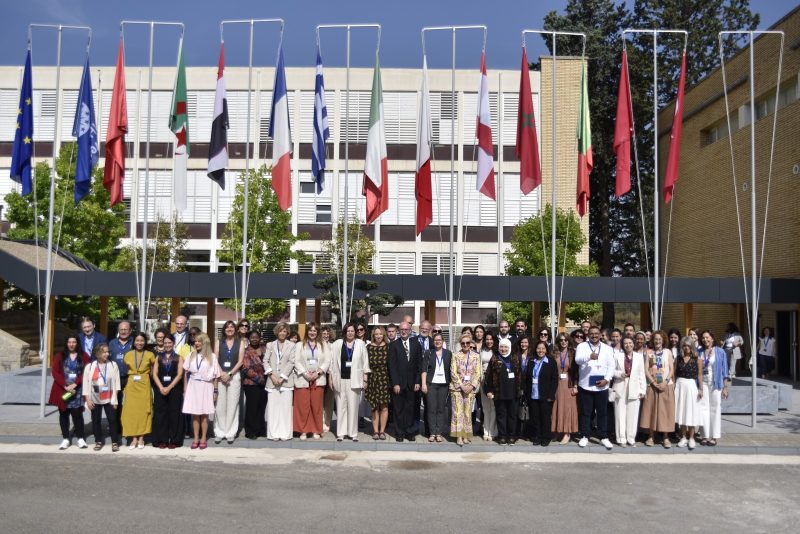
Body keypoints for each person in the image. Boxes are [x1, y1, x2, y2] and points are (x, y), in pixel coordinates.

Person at [574, 326, 615, 450]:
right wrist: (588, 357)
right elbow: (577, 360)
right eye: (591, 333)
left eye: (596, 333)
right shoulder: (582, 346)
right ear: (588, 335)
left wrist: (607, 379)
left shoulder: (607, 348)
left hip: (601, 386)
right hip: (586, 385)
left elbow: (611, 366)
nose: (594, 335)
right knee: (586, 413)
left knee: (602, 413)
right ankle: (585, 435)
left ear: (600, 335)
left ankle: (603, 437)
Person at [329, 323, 370, 441]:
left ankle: (352, 433)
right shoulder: (337, 344)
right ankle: (341, 433)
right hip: (340, 379)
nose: (350, 333)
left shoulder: (361, 344)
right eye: (348, 331)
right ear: (344, 332)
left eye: (352, 331)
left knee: (353, 407)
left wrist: (365, 379)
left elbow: (365, 363)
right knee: (341, 407)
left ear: (355, 332)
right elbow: (332, 363)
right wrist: (330, 378)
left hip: (355, 380)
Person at [49, 335, 90, 449]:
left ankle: (80, 438)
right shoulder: (59, 355)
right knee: (63, 414)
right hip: (63, 389)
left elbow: (87, 371)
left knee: (77, 414)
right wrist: (65, 385)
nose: (71, 344)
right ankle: (66, 438)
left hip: (77, 389)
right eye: (69, 342)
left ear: (77, 343)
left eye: (74, 342)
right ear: (66, 343)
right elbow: (55, 372)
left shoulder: (84, 355)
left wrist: (75, 383)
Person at [182, 333, 220, 450]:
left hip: (206, 386)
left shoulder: (212, 356)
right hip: (193, 386)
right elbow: (185, 372)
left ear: (205, 343)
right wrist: (185, 389)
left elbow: (216, 376)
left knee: (204, 414)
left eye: (199, 341)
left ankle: (203, 437)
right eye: (195, 341)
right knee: (195, 414)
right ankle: (196, 438)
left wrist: (215, 390)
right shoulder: (191, 355)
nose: (197, 343)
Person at [294, 322, 330, 440]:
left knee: (316, 405)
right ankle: (303, 431)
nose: (312, 333)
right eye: (310, 330)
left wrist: (317, 373)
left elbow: (327, 361)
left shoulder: (323, 345)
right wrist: (305, 373)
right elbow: (296, 361)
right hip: (303, 378)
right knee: (303, 405)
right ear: (307, 332)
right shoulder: (300, 345)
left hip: (318, 379)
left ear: (317, 332)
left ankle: (316, 430)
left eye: (315, 330)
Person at [640, 330, 676, 448]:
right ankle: (651, 436)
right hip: (652, 386)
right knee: (651, 411)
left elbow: (671, 369)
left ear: (663, 340)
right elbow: (646, 369)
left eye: (660, 339)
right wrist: (653, 382)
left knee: (665, 411)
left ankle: (665, 437)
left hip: (666, 385)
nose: (657, 341)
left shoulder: (668, 352)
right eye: (655, 339)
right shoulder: (649, 352)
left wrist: (665, 382)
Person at [83, 344, 121, 452]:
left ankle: (115, 442)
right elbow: (85, 384)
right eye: (104, 352)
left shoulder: (113, 365)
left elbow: (117, 384)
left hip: (109, 398)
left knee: (113, 420)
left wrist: (115, 400)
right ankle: (98, 441)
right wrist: (88, 399)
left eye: (108, 352)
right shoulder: (90, 366)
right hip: (95, 398)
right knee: (96, 421)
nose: (107, 354)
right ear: (97, 353)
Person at [388, 321, 421, 442]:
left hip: (412, 384)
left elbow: (419, 364)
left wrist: (418, 381)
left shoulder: (416, 344)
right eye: (401, 329)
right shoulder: (394, 345)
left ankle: (410, 432)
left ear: (410, 330)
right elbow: (392, 366)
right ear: (398, 331)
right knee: (398, 409)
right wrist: (395, 383)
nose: (404, 331)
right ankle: (399, 432)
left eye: (406, 329)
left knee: (411, 409)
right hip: (398, 384)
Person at [484, 338, 521, 445]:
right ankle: (502, 436)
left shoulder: (515, 358)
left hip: (513, 392)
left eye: (505, 347)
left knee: (512, 415)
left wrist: (521, 390)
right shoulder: (494, 358)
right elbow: (488, 376)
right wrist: (489, 390)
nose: (503, 349)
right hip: (499, 392)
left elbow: (520, 375)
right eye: (501, 347)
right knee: (501, 415)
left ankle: (511, 436)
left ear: (509, 347)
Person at [121, 332, 155, 449]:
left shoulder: (150, 355)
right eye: (137, 341)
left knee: (143, 412)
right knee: (131, 412)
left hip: (144, 384)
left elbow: (153, 371)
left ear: (145, 342)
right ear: (133, 342)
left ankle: (141, 437)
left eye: (142, 341)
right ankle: (134, 438)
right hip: (132, 385)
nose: (139, 343)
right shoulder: (128, 355)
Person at [263, 322, 297, 441]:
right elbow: (265, 361)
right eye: (280, 331)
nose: (282, 333)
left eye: (284, 331)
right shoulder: (270, 345)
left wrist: (282, 377)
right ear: (276, 332)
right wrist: (272, 375)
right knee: (273, 408)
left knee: (286, 408)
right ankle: (273, 434)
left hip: (286, 382)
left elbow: (292, 362)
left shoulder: (292, 345)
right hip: (272, 381)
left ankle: (285, 433)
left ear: (287, 333)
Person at [213, 320, 245, 444]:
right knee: (220, 405)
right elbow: (215, 358)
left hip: (234, 376)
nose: (230, 329)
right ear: (224, 329)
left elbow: (240, 361)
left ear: (235, 329)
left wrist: (230, 373)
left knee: (233, 405)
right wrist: (221, 373)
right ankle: (220, 432)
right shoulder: (218, 342)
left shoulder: (240, 342)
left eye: (232, 327)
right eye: (227, 327)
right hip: (220, 375)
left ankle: (231, 432)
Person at [611, 336, 647, 447]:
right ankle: (621, 438)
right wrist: (619, 374)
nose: (628, 345)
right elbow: (611, 371)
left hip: (634, 388)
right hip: (620, 386)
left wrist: (642, 389)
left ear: (633, 343)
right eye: (625, 343)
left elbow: (642, 374)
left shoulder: (639, 357)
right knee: (620, 414)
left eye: (630, 343)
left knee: (633, 414)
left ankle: (631, 438)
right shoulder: (617, 356)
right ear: (622, 344)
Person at [151, 333, 185, 448]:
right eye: (165, 343)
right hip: (160, 389)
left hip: (175, 389)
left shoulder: (178, 357)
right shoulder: (158, 357)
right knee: (160, 414)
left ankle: (174, 440)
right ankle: (162, 440)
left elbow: (180, 375)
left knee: (174, 414)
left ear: (173, 343)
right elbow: (154, 374)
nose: (167, 345)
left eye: (169, 343)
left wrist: (169, 387)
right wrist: (161, 387)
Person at [698, 330, 730, 446]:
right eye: (703, 338)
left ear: (712, 338)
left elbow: (725, 370)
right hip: (703, 384)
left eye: (707, 337)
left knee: (715, 409)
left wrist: (725, 387)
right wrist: (699, 387)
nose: (705, 340)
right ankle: (705, 435)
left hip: (716, 384)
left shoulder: (720, 352)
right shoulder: (699, 351)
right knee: (703, 408)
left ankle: (715, 436)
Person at [524, 339, 558, 446]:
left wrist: (551, 394)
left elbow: (554, 379)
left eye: (543, 348)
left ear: (546, 350)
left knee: (545, 417)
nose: (540, 350)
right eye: (539, 348)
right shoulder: (531, 361)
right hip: (533, 394)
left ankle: (546, 436)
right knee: (535, 417)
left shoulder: (551, 361)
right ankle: (537, 436)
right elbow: (527, 378)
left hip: (546, 394)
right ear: (535, 349)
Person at [450, 333, 480, 446]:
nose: (465, 345)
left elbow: (477, 372)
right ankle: (459, 436)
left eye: (468, 343)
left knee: (467, 412)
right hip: (457, 388)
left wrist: (472, 386)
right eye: (463, 343)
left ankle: (466, 435)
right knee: (458, 412)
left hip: (470, 388)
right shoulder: (455, 355)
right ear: (460, 344)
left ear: (471, 343)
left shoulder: (476, 356)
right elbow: (453, 371)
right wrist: (462, 386)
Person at [421, 332, 451, 443]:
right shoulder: (429, 353)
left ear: (443, 341)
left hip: (444, 385)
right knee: (431, 409)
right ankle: (432, 433)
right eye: (435, 340)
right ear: (433, 342)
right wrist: (423, 384)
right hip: (431, 384)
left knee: (441, 409)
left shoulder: (448, 353)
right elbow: (424, 369)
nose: (438, 342)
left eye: (440, 340)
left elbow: (451, 370)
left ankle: (439, 433)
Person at [674, 336, 704, 449]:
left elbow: (700, 375)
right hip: (679, 385)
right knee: (681, 412)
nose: (686, 348)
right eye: (684, 345)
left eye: (688, 345)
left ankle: (691, 438)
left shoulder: (698, 359)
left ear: (692, 346)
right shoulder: (678, 358)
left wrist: (701, 389)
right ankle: (683, 437)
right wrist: (673, 386)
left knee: (691, 412)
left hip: (691, 386)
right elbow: (674, 374)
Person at [551, 333, 578, 444]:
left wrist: (576, 385)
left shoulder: (573, 353)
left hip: (569, 384)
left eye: (565, 340)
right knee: (557, 407)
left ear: (568, 341)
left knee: (568, 408)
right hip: (557, 384)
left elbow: (577, 371)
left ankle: (567, 433)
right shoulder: (554, 354)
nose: (563, 342)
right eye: (561, 340)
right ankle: (558, 431)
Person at [365, 325, 391, 440]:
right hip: (372, 379)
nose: (378, 336)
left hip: (385, 379)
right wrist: (365, 379)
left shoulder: (389, 347)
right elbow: (364, 365)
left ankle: (382, 431)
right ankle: (375, 431)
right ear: (373, 335)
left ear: (383, 335)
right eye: (376, 334)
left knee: (384, 406)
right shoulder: (368, 347)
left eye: (380, 334)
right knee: (374, 407)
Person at [241, 330, 267, 439]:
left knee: (262, 407)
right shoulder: (246, 351)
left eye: (257, 337)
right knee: (252, 408)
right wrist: (258, 378)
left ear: (260, 338)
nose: (255, 339)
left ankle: (261, 429)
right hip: (251, 383)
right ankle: (250, 431)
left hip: (265, 383)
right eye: (252, 337)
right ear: (249, 338)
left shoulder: (264, 349)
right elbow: (246, 368)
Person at [108, 320, 132, 431]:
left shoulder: (134, 342)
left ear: (130, 331)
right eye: (121, 329)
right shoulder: (111, 343)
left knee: (128, 403)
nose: (123, 332)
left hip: (130, 378)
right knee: (115, 403)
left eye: (125, 329)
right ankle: (116, 427)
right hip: (115, 379)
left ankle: (127, 426)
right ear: (118, 331)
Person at [479, 331, 498, 441]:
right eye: (487, 339)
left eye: (491, 339)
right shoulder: (482, 350)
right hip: (483, 381)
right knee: (486, 408)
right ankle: (486, 431)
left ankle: (493, 431)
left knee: (494, 407)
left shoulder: (497, 351)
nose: (489, 341)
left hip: (494, 382)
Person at [321, 325, 336, 433]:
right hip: (320, 375)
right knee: (320, 401)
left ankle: (327, 422)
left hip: (330, 375)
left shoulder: (333, 346)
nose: (326, 335)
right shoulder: (317, 346)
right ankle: (320, 422)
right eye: (324, 334)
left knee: (329, 401)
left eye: (327, 334)